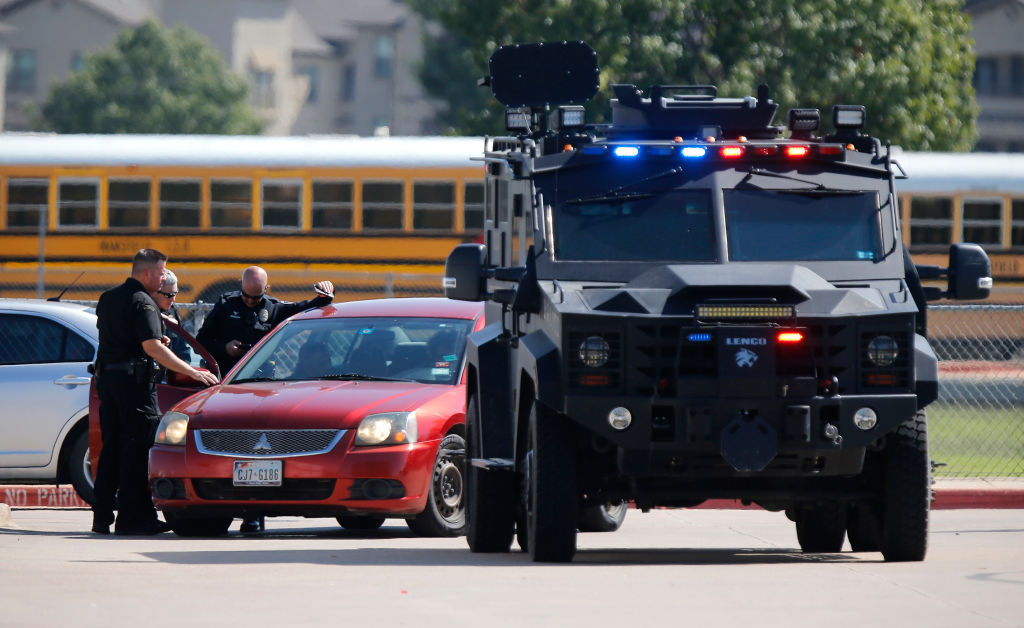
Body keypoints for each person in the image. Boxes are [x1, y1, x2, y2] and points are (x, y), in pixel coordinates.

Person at [196, 265, 334, 532]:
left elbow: (305, 308)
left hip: (262, 387)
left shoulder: (271, 308)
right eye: (247, 296)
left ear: (266, 291)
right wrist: (224, 348)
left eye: (256, 297)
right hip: (228, 383)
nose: (250, 302)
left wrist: (326, 294)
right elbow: (202, 340)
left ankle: (252, 515)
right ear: (240, 287)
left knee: (258, 449)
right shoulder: (225, 306)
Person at [92, 249, 219, 536]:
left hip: (108, 384)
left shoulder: (108, 298)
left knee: (111, 450)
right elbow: (152, 347)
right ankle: (133, 520)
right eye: (162, 272)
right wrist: (193, 372)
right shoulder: (144, 302)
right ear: (147, 273)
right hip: (135, 388)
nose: (164, 279)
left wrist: (149, 342)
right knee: (136, 453)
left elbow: (121, 339)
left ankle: (101, 517)